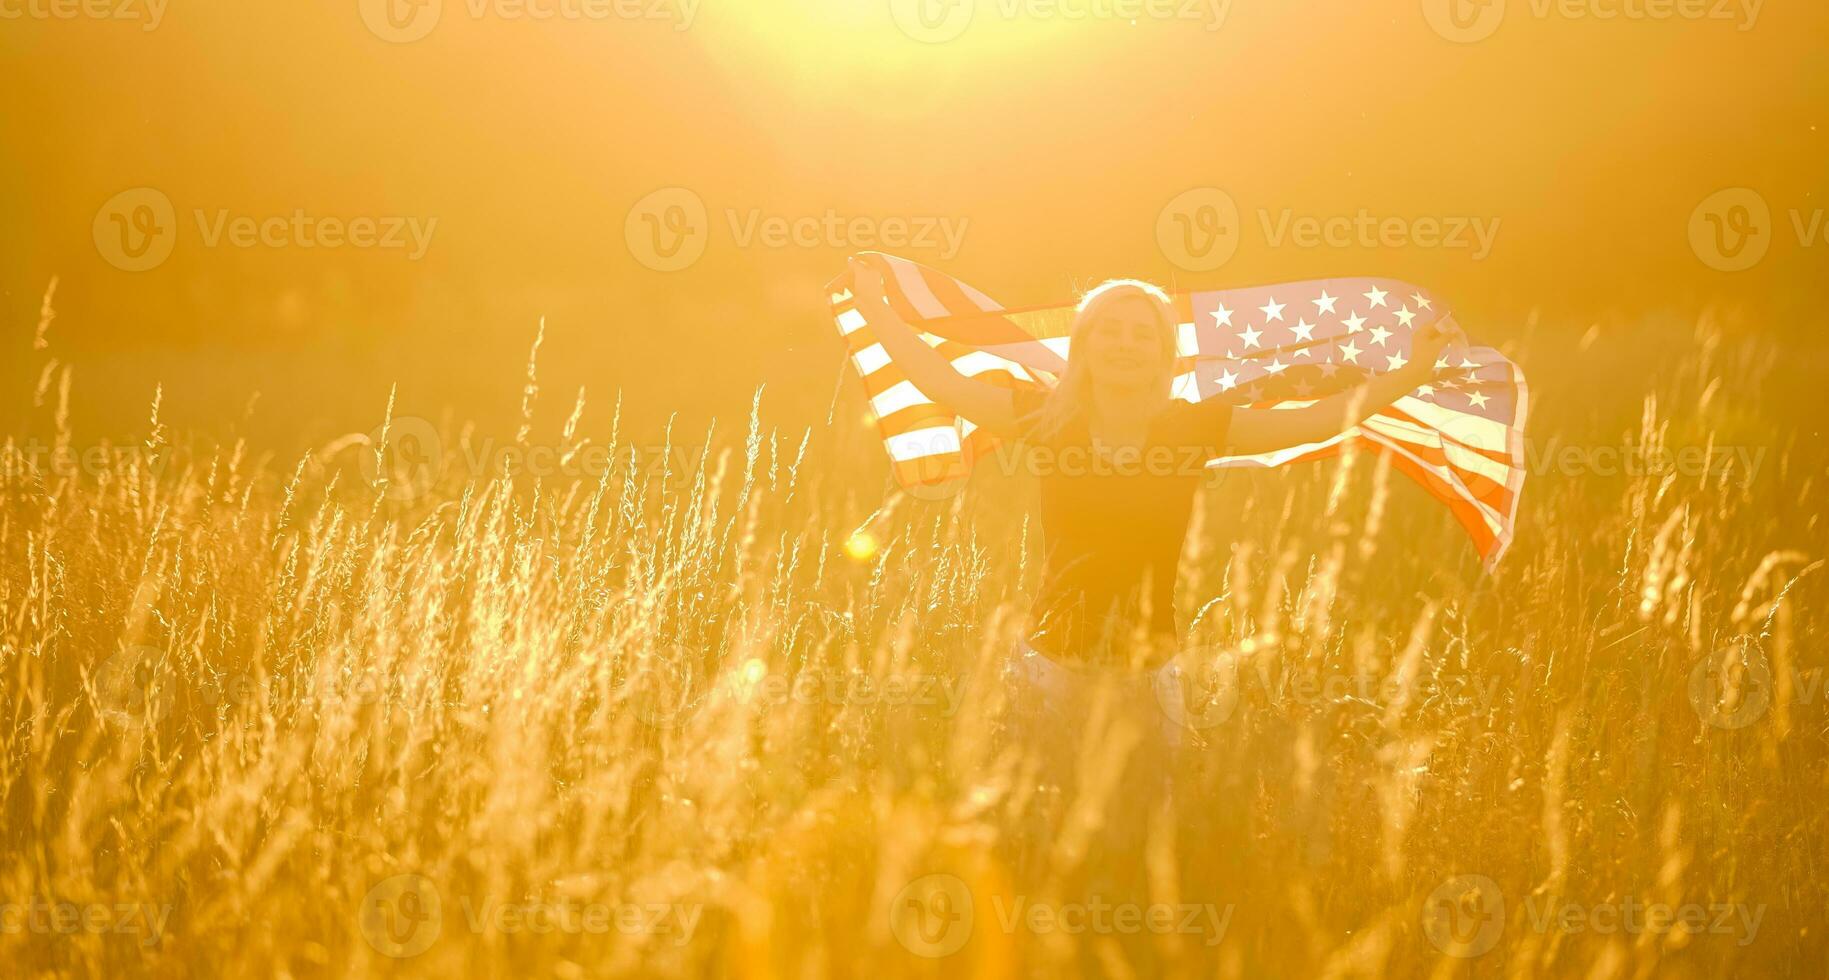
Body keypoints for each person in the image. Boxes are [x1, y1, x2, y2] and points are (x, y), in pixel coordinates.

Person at [846, 259, 1459, 894]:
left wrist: (1413, 371)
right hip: (1049, 666)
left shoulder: (1191, 427)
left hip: (1147, 671)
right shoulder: (1050, 420)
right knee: (1039, 829)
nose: (1125, 344)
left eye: (1142, 334)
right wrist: (875, 305)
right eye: (1110, 330)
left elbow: (1313, 420)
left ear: (1165, 353)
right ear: (1084, 346)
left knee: (1140, 834)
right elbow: (938, 381)